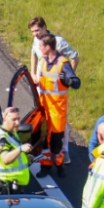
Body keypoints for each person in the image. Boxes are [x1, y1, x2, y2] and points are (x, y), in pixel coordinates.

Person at [29, 17, 79, 164]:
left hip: (56, 92)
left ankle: (64, 151)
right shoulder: (37, 41)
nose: (35, 34)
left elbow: (75, 57)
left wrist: (67, 79)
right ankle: (44, 147)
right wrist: (33, 73)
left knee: (60, 121)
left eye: (37, 30)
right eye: (33, 32)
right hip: (43, 88)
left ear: (45, 27)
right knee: (44, 117)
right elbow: (33, 53)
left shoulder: (58, 42)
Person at [35, 33, 80, 178]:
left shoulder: (62, 63)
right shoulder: (42, 60)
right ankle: (45, 166)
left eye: (41, 45)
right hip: (44, 108)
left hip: (57, 111)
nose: (39, 48)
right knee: (43, 140)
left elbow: (76, 83)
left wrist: (68, 80)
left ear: (48, 47)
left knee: (55, 142)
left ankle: (59, 166)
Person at [0, 106, 32, 194]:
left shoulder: (10, 131)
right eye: (14, 119)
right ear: (4, 119)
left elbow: (12, 149)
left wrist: (26, 157)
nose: (17, 123)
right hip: (5, 188)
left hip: (11, 185)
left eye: (18, 119)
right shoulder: (1, 138)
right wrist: (20, 149)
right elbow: (6, 159)